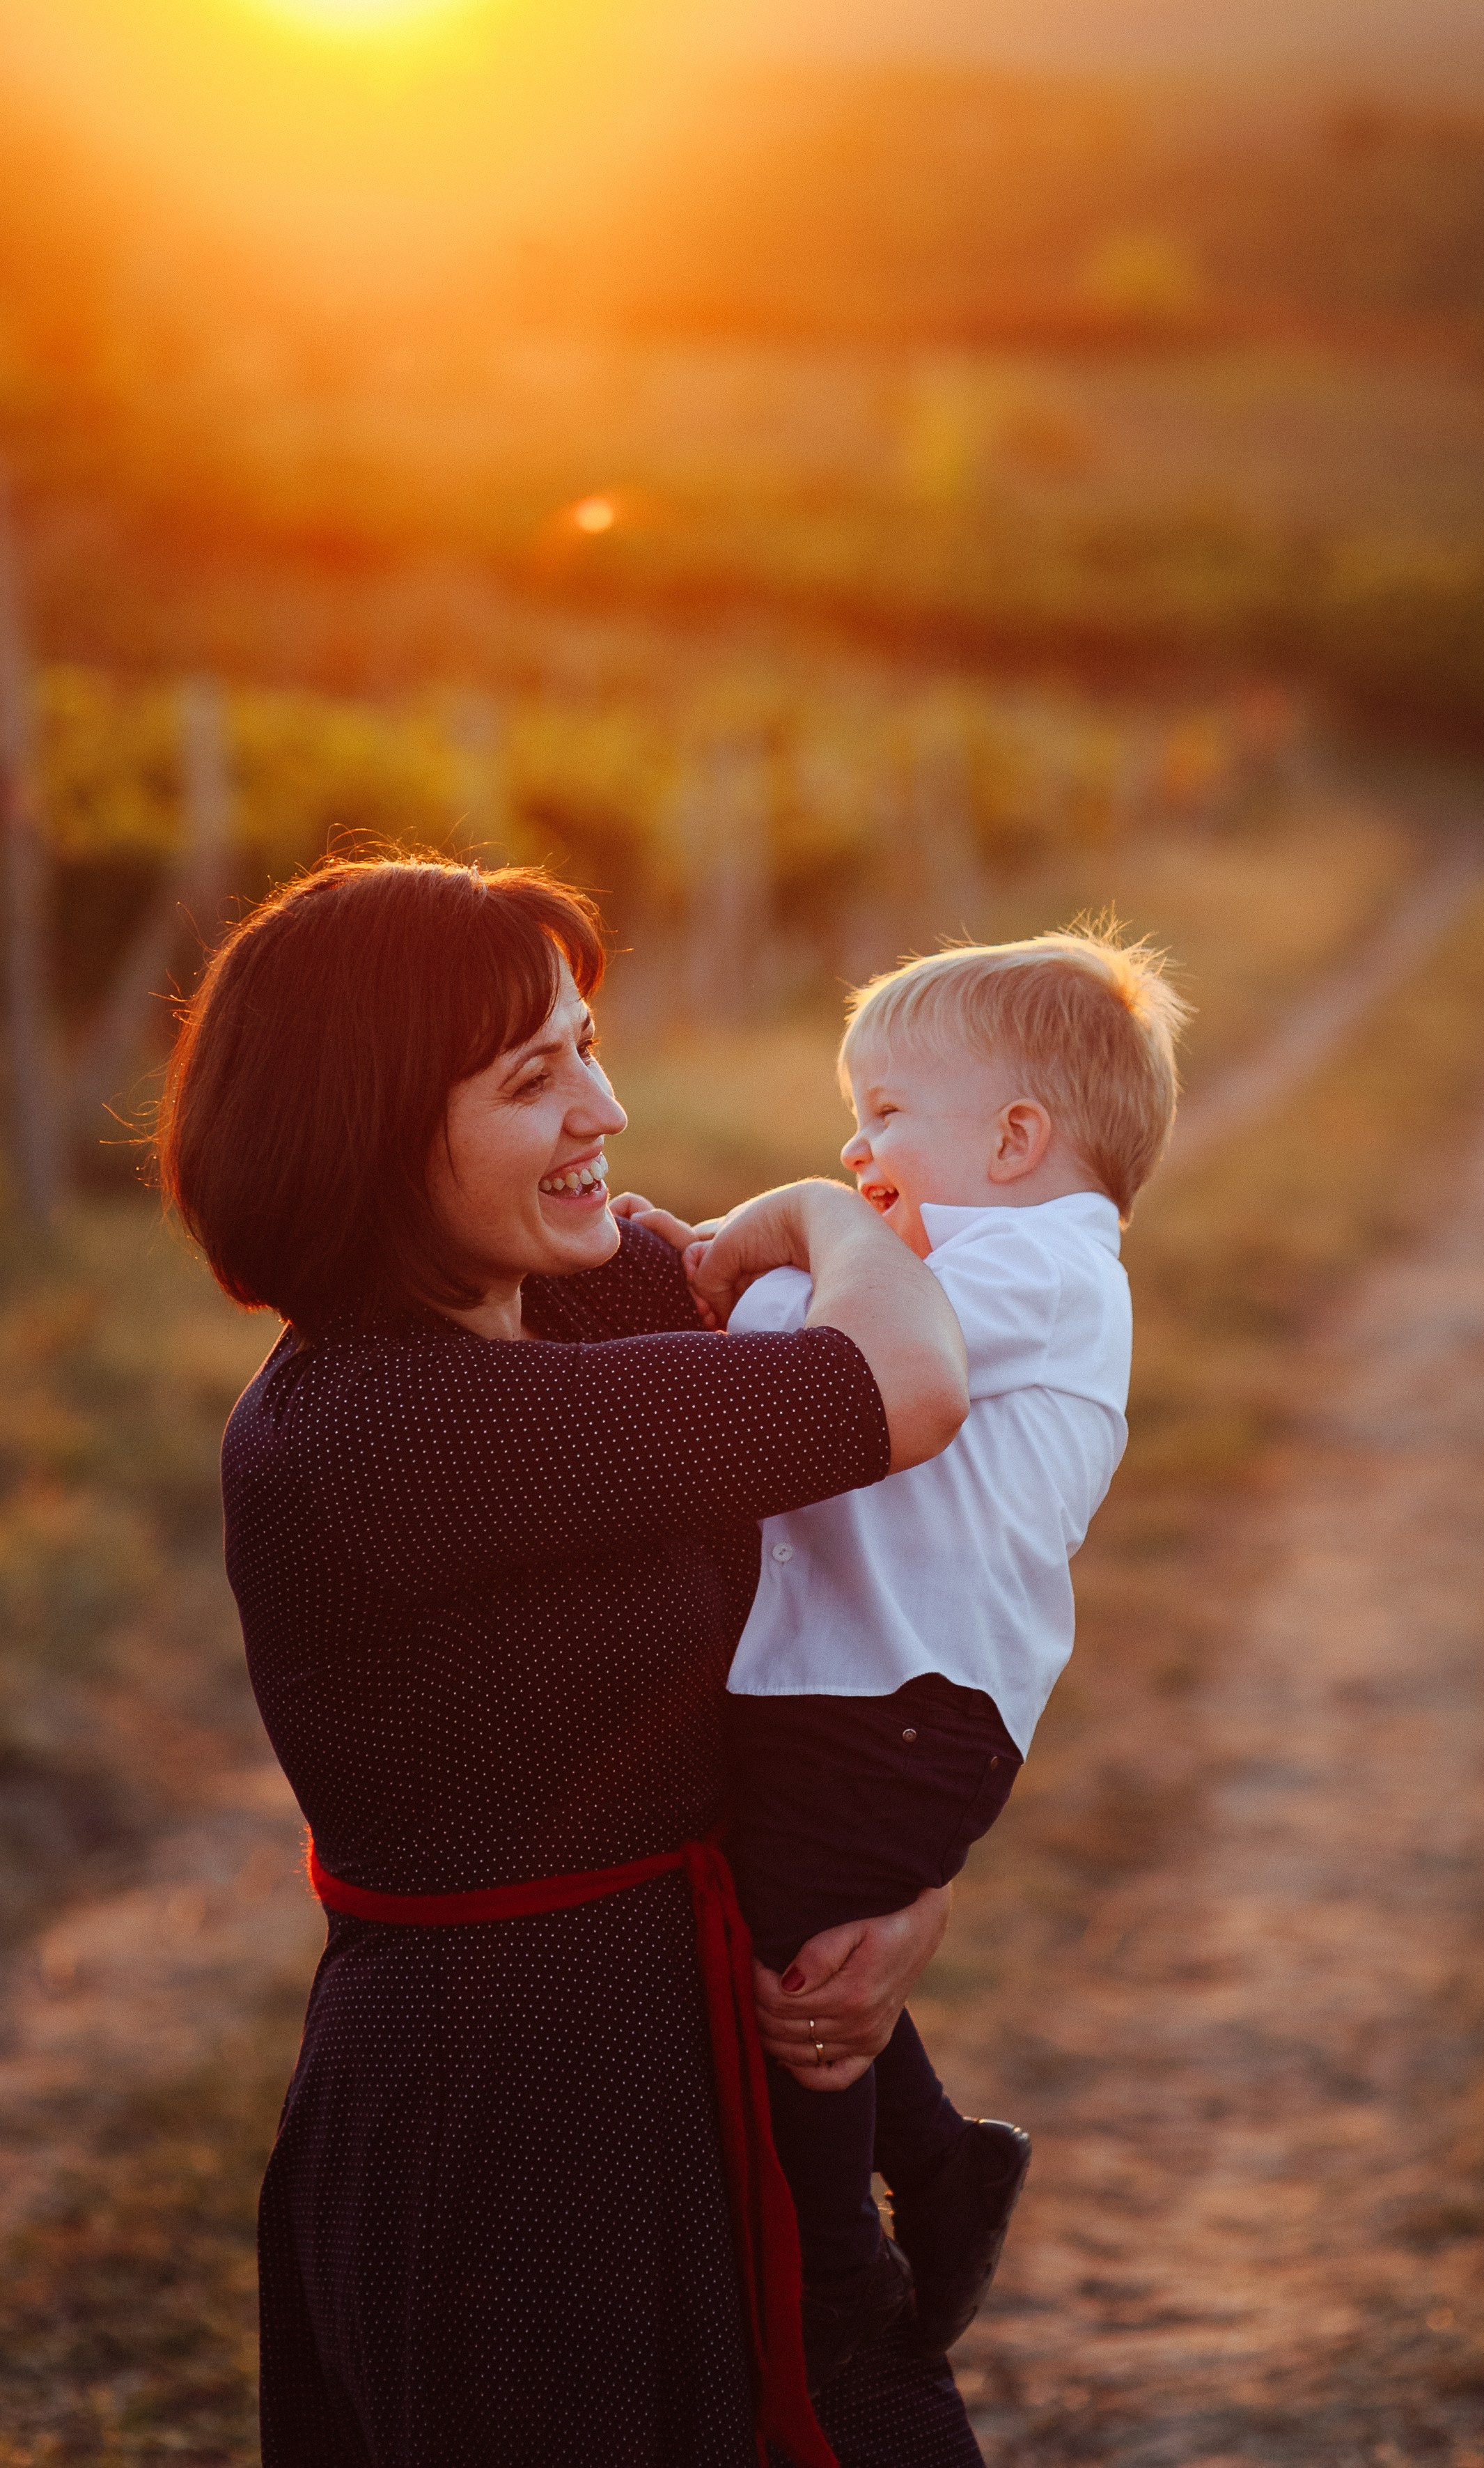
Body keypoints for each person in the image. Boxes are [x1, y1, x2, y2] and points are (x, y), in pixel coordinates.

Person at [157, 851, 990, 2468]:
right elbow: (899, 1380)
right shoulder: (377, 1428)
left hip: (703, 2033)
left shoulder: (577, 1294)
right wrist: (829, 1205)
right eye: (536, 1078)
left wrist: (902, 1877)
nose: (604, 1107)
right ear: (372, 1127)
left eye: (588, 1044)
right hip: (506, 2125)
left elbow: (854, 1588)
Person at [666, 926, 1186, 2386]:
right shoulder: (966, 1244)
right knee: (788, 1940)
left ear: (1019, 1138)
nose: (854, 1142)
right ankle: (943, 2163)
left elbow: (819, 1353)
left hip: (906, 1700)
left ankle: (845, 2264)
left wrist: (779, 1234)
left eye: (888, 1112)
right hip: (851, 1689)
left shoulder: (1045, 1264)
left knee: (799, 1964)